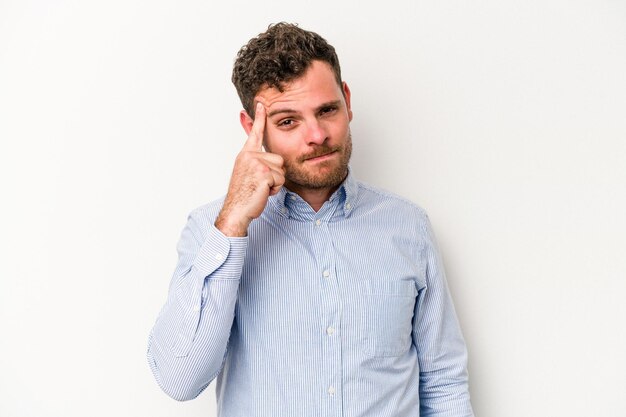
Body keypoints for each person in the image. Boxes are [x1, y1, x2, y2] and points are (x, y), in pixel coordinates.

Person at [147, 22, 474, 417]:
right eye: (288, 121)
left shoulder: (408, 227)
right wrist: (233, 223)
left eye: (327, 110)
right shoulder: (211, 230)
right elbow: (180, 379)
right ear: (253, 128)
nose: (317, 134)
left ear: (347, 100)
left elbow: (442, 383)